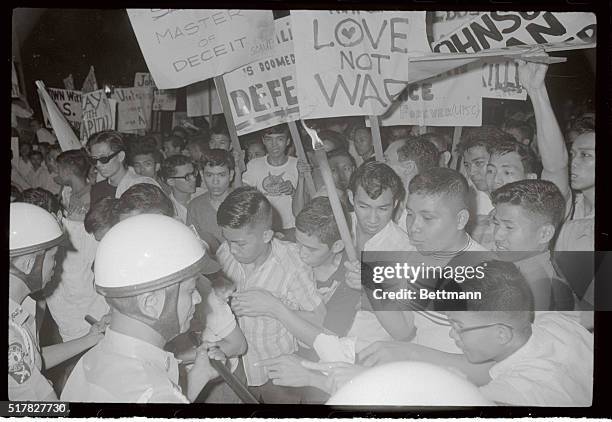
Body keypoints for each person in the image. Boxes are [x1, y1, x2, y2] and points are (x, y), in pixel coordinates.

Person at [359, 260, 593, 407]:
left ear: (502, 334)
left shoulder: (513, 392)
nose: (452, 335)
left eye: (458, 326)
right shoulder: (555, 322)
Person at [61, 214, 225, 402]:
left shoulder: (92, 360)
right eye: (190, 290)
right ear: (150, 303)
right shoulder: (155, 393)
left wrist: (197, 378)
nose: (197, 298)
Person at [216, 187, 325, 403]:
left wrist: (274, 307)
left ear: (266, 235)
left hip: (277, 374)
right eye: (228, 240)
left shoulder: (293, 264)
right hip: (236, 365)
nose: (232, 249)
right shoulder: (225, 251)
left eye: (240, 243)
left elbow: (319, 319)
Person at [9, 203, 106, 400]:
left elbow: (31, 360)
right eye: (53, 256)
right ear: (28, 264)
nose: (57, 264)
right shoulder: (10, 334)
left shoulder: (19, 309)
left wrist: (91, 338)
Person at [48, 149, 111, 342]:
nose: (55, 174)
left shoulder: (95, 194)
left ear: (68, 170)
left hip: (85, 260)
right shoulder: (65, 193)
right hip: (65, 261)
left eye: (58, 169)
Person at [490, 179, 574, 311]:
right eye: (496, 224)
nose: (497, 235)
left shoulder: (537, 291)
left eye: (509, 227)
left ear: (545, 234)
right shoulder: (512, 271)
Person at [242, 124, 299, 237]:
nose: (274, 145)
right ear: (263, 140)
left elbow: (306, 202)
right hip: (264, 229)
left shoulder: (298, 165)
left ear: (288, 141)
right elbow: (243, 196)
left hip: (292, 228)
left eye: (280, 139)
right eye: (269, 139)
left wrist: (293, 192)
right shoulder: (254, 165)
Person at [87, 130, 159, 205]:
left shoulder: (142, 187)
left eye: (103, 159)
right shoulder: (97, 189)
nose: (98, 164)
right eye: (94, 160)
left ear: (120, 156)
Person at [187, 149, 235, 255]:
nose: (215, 182)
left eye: (221, 175)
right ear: (202, 174)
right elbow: (194, 247)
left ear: (231, 175)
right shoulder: (194, 207)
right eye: (209, 175)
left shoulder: (245, 201)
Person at [161, 155, 206, 224]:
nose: (194, 179)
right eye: (187, 176)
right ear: (171, 181)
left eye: (193, 173)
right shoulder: (169, 210)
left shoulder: (205, 194)